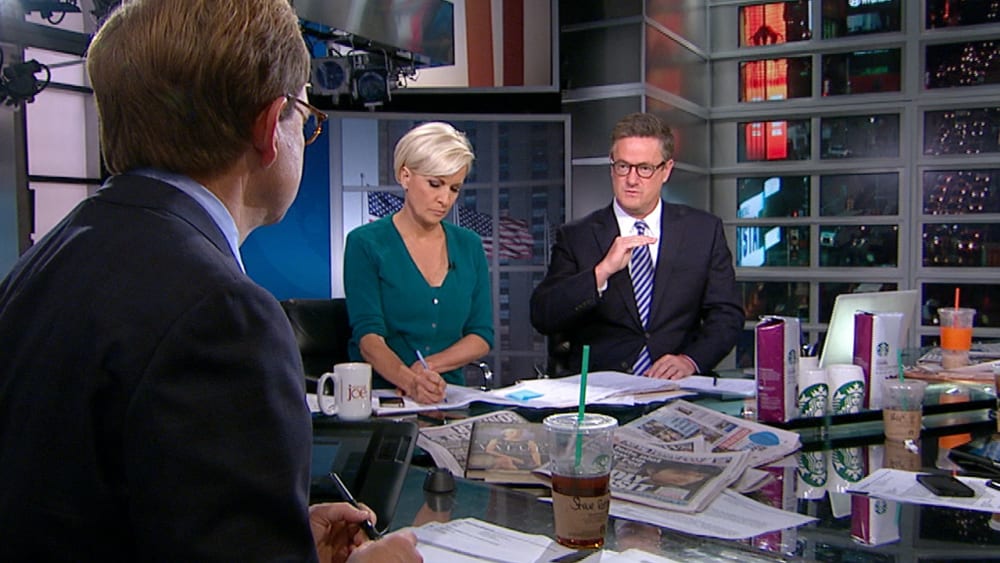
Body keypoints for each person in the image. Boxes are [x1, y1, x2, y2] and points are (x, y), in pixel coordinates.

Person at [0, 1, 420, 562]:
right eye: (304, 115)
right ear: (270, 128)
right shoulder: (222, 315)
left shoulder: (43, 261)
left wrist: (280, 541)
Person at [531, 112, 743, 379]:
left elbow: (726, 315)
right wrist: (601, 273)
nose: (631, 180)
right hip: (602, 389)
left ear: (666, 170)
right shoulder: (577, 236)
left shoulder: (702, 231)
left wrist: (691, 361)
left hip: (677, 388)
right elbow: (543, 315)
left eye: (644, 168)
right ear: (612, 168)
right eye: (623, 166)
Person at [344, 122, 494, 404]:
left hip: (447, 397)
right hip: (383, 399)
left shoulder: (469, 245)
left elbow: (481, 336)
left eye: (454, 188)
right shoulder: (365, 243)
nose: (444, 199)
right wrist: (409, 381)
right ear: (405, 176)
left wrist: (428, 369)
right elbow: (369, 339)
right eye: (435, 184)